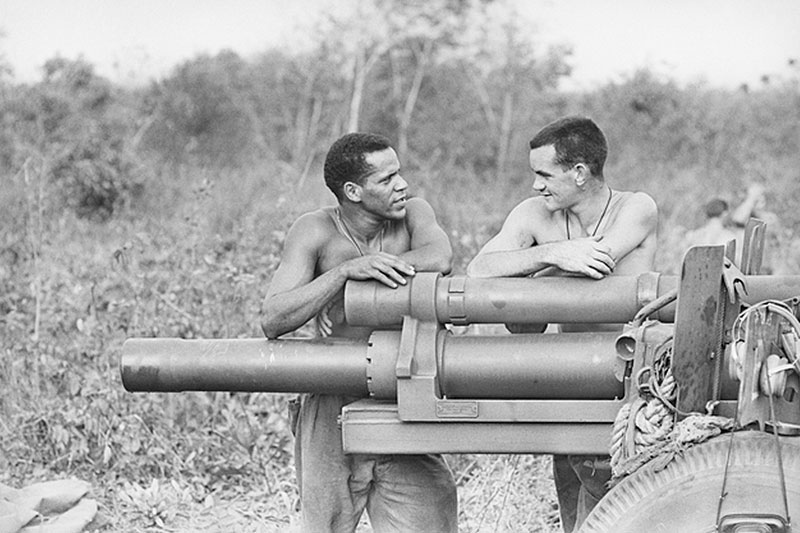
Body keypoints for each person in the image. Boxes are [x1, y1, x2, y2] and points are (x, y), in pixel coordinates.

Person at [466, 116, 658, 532]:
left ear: (580, 173)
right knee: (575, 512)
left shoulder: (636, 207)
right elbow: (479, 269)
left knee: (616, 514)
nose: (536, 185)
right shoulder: (534, 213)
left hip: (626, 385)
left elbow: (596, 264)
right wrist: (549, 254)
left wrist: (528, 280)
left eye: (543, 174)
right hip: (567, 380)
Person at [260, 132, 458, 533]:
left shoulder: (415, 213)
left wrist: (366, 277)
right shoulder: (315, 230)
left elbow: (440, 258)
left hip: (400, 392)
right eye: (386, 180)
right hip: (331, 396)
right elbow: (274, 317)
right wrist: (342, 273)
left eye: (399, 174)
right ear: (352, 191)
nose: (401, 185)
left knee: (431, 519)